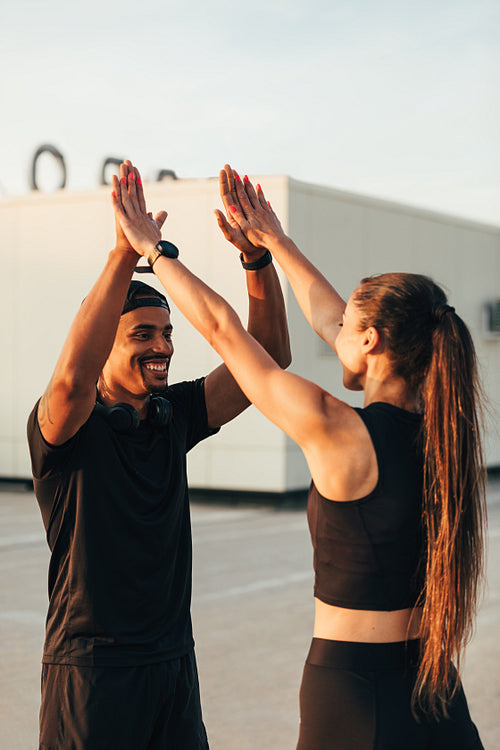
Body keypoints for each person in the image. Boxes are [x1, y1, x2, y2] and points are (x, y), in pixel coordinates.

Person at [113, 162, 487, 749]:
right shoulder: (448, 435)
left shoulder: (339, 432)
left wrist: (155, 252)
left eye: (348, 326)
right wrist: (274, 243)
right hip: (436, 693)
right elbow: (331, 315)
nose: (333, 329)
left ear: (370, 341)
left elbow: (225, 332)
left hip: (355, 696)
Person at [27, 160, 291, 750]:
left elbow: (268, 356)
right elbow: (72, 380)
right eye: (142, 335)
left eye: (167, 333)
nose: (163, 347)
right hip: (92, 671)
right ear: (106, 344)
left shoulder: (175, 415)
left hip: (173, 662)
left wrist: (257, 258)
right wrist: (124, 255)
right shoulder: (67, 427)